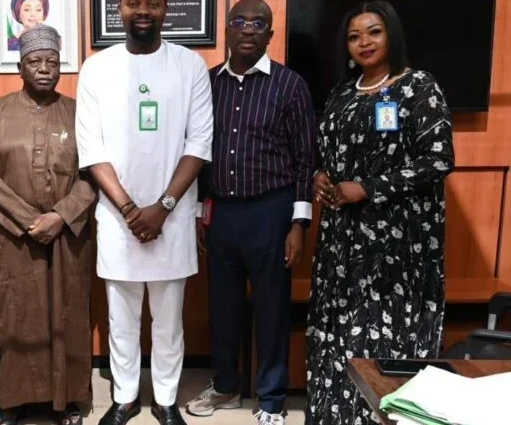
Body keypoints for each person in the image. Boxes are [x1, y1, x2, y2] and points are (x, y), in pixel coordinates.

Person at [305, 2, 454, 424]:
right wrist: (322, 176)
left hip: (398, 241)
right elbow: (330, 153)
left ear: (392, 35)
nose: (364, 43)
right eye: (354, 37)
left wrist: (368, 188)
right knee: (340, 328)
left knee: (385, 335)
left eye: (374, 32)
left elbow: (438, 160)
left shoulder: (418, 87)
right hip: (342, 240)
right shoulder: (342, 92)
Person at [75, 1, 213, 424]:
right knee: (122, 320)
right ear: (120, 8)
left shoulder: (190, 65)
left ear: (166, 9)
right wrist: (133, 210)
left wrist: (163, 207)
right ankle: (126, 397)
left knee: (169, 322)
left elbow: (199, 144)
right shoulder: (96, 68)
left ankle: (166, 400)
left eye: (153, 3)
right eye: (134, 2)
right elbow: (92, 149)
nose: (143, 11)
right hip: (120, 221)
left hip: (171, 219)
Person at [186, 1, 316, 424]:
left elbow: (304, 160)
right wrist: (200, 215)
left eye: (258, 24)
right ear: (226, 29)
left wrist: (298, 225)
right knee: (222, 308)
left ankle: (272, 399)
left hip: (270, 212)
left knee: (271, 309)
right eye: (239, 21)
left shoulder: (290, 85)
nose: (247, 29)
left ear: (270, 36)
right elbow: (199, 155)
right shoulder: (207, 85)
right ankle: (226, 386)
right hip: (221, 212)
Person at [0, 24, 95, 425]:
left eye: (51, 62)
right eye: (34, 62)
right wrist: (29, 220)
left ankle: (69, 400)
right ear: (20, 68)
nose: (44, 68)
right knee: (15, 316)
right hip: (12, 237)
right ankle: (13, 403)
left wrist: (60, 216)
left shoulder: (78, 113)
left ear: (60, 68)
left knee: (68, 314)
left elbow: (95, 171)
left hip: (68, 235)